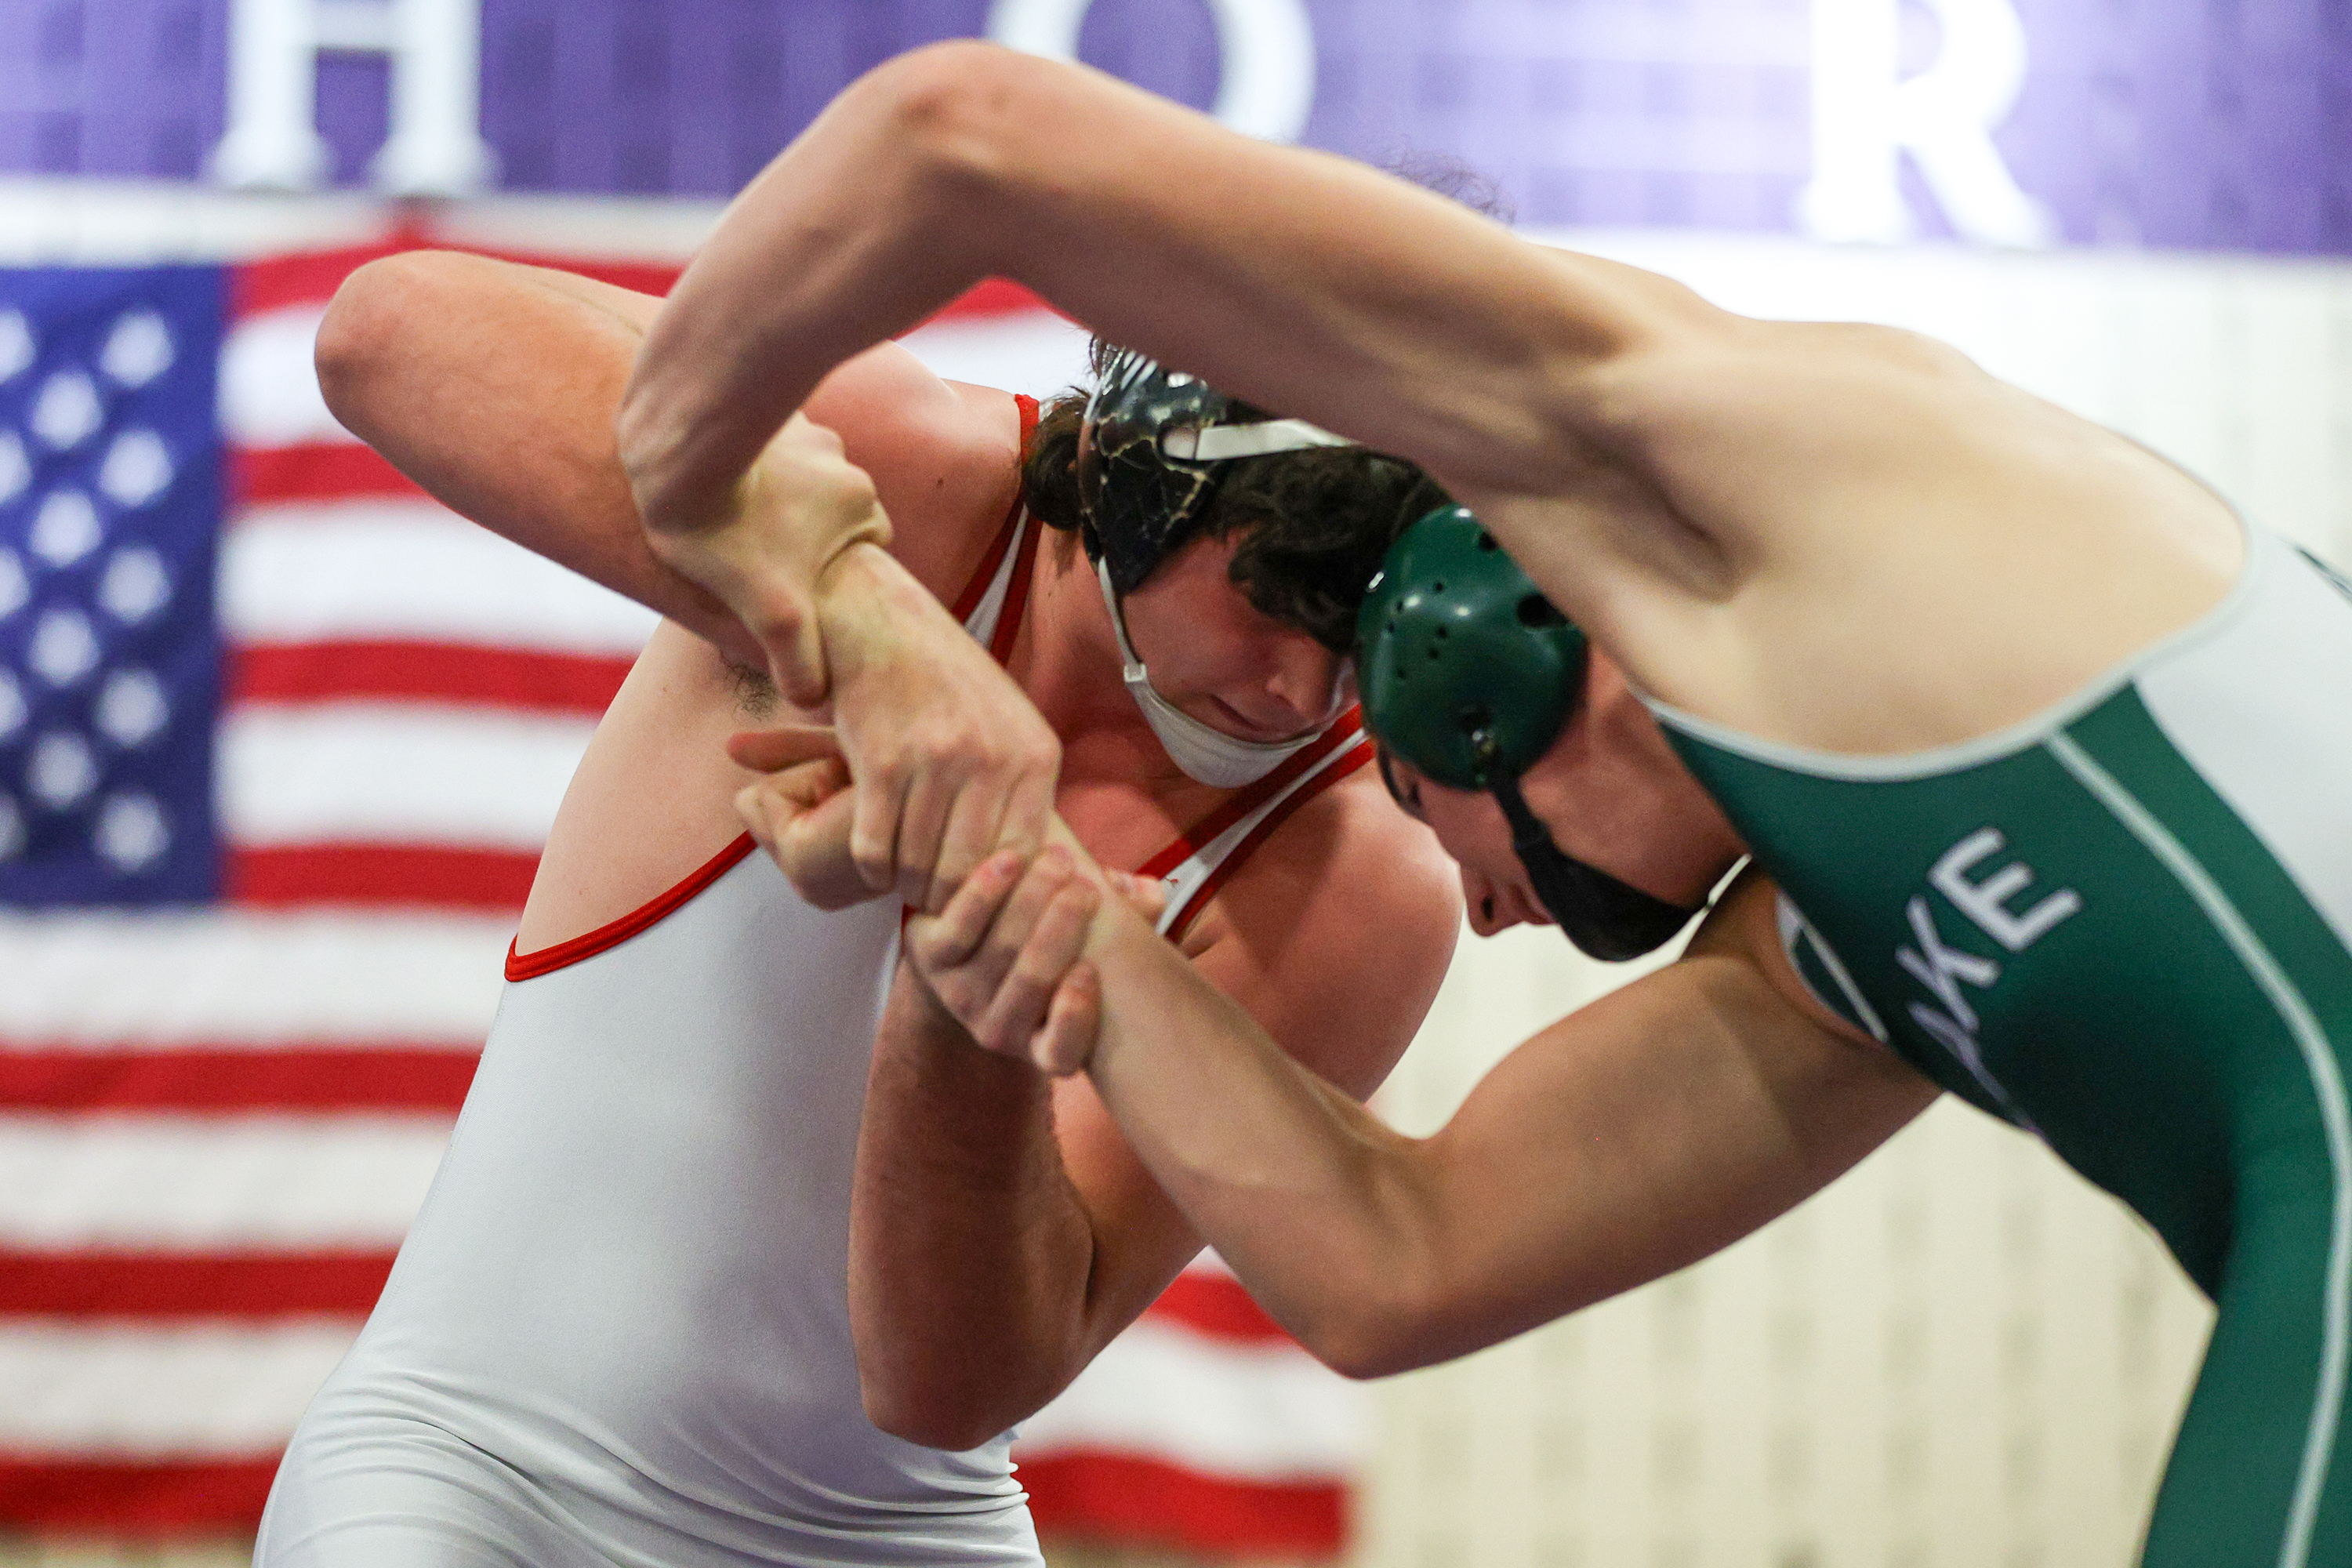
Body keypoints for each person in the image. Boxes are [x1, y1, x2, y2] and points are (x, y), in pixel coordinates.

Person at [613, 38, 2352, 1568]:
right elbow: (1396, 1260)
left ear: (1481, 670)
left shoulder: (1757, 464)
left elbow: (961, 125)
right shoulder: (1841, 952)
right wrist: (1032, 885)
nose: (1483, 904)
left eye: (1389, 759)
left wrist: (698, 475)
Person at [251, 249, 1457, 1566]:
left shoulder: (1353, 877)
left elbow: (950, 1387)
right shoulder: (906, 485)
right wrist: (862, 617)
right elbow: (383, 334)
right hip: (478, 1464)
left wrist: (971, 975)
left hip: (891, 1532)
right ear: (1137, 488)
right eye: (1276, 602)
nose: (1301, 693)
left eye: (1363, 633)